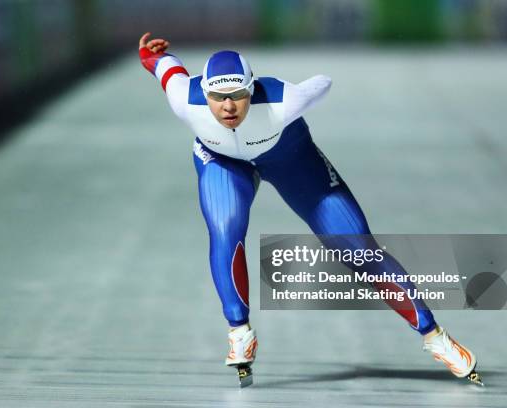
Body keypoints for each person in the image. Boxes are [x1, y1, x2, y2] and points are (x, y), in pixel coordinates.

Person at [137, 32, 483, 387]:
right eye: (218, 97)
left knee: (359, 249)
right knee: (225, 227)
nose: (228, 107)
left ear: (252, 89)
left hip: (290, 157)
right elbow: (164, 68)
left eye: (238, 95)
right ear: (204, 93)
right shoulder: (184, 100)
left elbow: (323, 83)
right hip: (223, 162)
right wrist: (150, 55)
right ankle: (239, 331)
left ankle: (434, 335)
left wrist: (311, 88)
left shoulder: (285, 100)